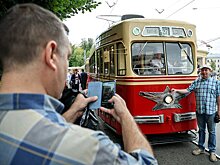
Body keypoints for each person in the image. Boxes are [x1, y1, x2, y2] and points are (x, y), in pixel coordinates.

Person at [0, 3, 158, 164]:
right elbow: (147, 162)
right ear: (51, 55)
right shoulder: (90, 148)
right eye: (67, 57)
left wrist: (74, 111)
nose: (67, 65)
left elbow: (38, 132)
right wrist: (126, 116)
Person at [172, 65, 220, 162]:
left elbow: (219, 98)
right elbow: (187, 90)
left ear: (210, 71)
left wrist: (219, 111)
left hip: (211, 112)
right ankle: (201, 148)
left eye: (206, 70)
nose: (204, 72)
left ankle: (212, 151)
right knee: (201, 130)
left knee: (212, 132)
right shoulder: (197, 81)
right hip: (200, 111)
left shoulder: (216, 82)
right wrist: (176, 90)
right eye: (202, 70)